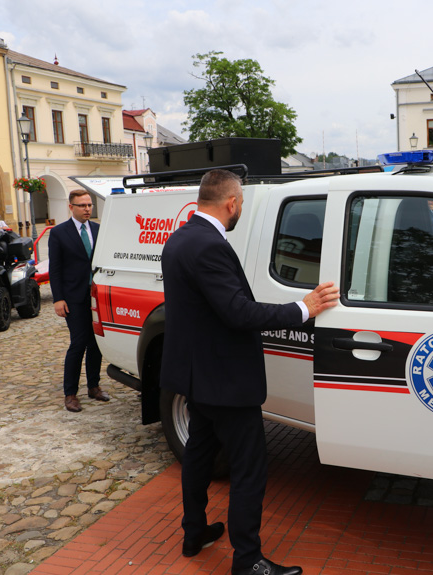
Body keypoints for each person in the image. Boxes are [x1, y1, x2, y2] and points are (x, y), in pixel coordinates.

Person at [160, 169, 339, 575]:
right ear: (232, 203)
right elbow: (238, 312)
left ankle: (194, 532)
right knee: (249, 468)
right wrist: (304, 308)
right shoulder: (209, 246)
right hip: (225, 382)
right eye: (239, 202)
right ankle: (248, 559)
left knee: (199, 458)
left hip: (196, 378)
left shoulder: (180, 239)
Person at [48, 190, 108, 413]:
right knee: (79, 342)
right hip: (73, 298)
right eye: (82, 205)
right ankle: (70, 394)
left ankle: (94, 386)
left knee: (96, 343)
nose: (87, 209)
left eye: (90, 205)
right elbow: (55, 269)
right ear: (70, 207)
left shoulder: (97, 229)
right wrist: (58, 299)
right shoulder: (59, 233)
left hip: (95, 295)